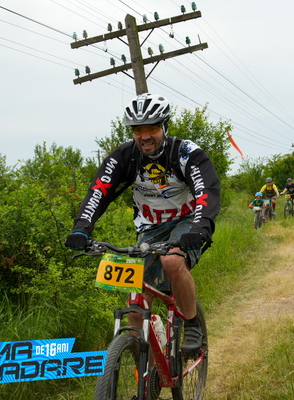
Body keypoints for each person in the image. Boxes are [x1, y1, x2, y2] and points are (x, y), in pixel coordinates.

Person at [65, 93, 221, 353]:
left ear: (164, 126)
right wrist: (81, 228)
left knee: (172, 261)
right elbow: (99, 191)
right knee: (136, 309)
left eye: (152, 127)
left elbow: (207, 191)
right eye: (138, 129)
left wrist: (201, 227)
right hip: (149, 228)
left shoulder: (186, 153)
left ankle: (192, 322)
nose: (145, 136)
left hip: (187, 221)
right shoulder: (124, 156)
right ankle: (149, 370)